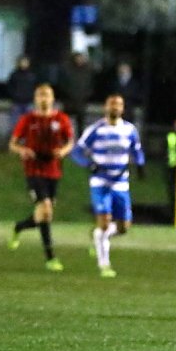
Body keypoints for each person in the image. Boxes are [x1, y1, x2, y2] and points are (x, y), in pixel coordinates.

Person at [71, 94, 145, 278]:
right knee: (104, 222)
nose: (115, 107)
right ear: (105, 107)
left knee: (123, 228)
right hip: (100, 182)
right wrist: (90, 164)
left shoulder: (129, 130)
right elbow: (77, 152)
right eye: (112, 104)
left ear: (123, 108)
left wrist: (140, 164)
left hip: (121, 183)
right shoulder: (95, 130)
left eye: (119, 104)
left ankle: (98, 237)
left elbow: (137, 151)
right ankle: (104, 264)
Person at [7, 84, 74, 271]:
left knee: (44, 215)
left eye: (47, 95)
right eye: (40, 95)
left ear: (52, 99)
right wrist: (23, 150)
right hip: (34, 170)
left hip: (53, 170)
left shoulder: (61, 119)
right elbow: (12, 144)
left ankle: (19, 227)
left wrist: (63, 151)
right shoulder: (28, 119)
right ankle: (51, 258)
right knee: (45, 210)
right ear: (35, 99)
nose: (44, 98)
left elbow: (70, 142)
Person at [60, 51, 94, 134]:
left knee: (81, 123)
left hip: (81, 101)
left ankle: (81, 139)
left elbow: (91, 84)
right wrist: (67, 94)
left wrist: (87, 95)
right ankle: (65, 137)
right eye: (77, 58)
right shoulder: (67, 69)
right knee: (65, 121)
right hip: (69, 100)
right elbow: (62, 84)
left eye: (81, 58)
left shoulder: (87, 70)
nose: (79, 60)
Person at [7, 55, 37, 132]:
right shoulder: (14, 75)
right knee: (14, 123)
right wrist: (14, 95)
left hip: (28, 102)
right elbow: (10, 87)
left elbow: (35, 87)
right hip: (16, 102)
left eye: (25, 62)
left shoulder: (32, 75)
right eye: (22, 62)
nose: (23, 64)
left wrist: (32, 97)